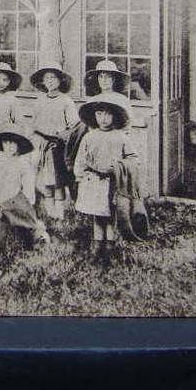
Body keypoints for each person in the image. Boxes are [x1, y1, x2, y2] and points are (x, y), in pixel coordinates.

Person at [73, 95, 140, 264]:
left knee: (110, 216)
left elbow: (133, 158)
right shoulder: (89, 137)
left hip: (112, 182)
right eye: (99, 114)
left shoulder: (120, 137)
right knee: (97, 215)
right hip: (93, 182)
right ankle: (97, 247)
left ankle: (109, 247)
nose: (103, 119)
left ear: (114, 116)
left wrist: (118, 167)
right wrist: (80, 175)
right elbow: (81, 158)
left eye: (107, 114)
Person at [30, 62, 79, 220]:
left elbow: (73, 126)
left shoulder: (66, 101)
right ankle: (50, 213)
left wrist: (59, 137)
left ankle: (60, 213)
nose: (50, 81)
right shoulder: (39, 101)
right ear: (43, 82)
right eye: (47, 78)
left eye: (53, 77)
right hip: (41, 144)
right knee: (46, 181)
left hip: (57, 146)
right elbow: (34, 124)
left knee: (57, 180)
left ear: (60, 81)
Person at [0, 131, 49, 247]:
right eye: (6, 142)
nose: (9, 146)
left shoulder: (24, 166)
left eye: (12, 143)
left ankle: (35, 234)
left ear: (18, 145)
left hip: (17, 209)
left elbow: (28, 196)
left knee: (25, 235)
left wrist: (9, 208)